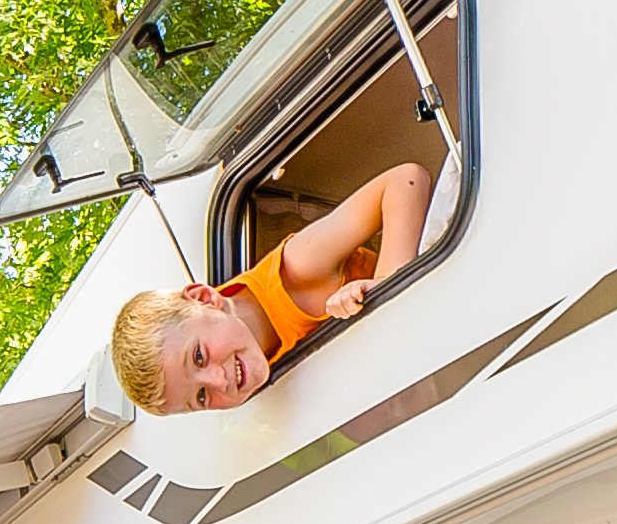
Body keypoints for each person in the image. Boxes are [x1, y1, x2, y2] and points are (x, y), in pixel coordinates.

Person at [111, 159, 435, 414]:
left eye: (198, 356)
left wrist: (387, 287)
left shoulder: (296, 270)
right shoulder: (272, 385)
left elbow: (405, 181)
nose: (218, 381)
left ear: (205, 298)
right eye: (200, 397)